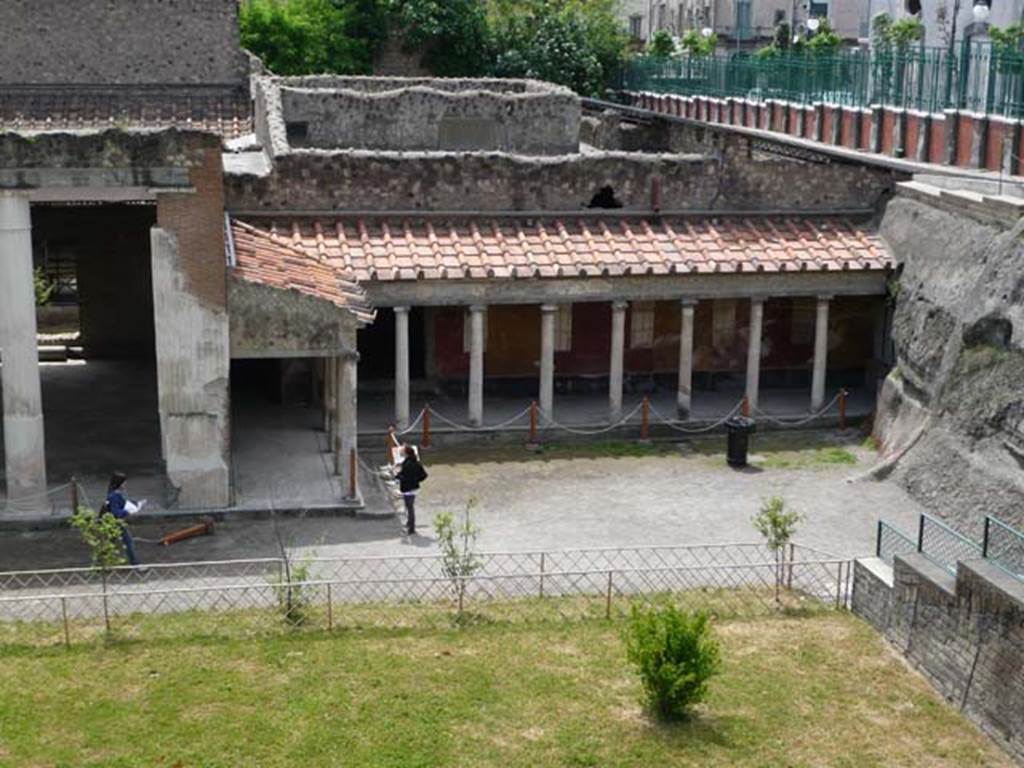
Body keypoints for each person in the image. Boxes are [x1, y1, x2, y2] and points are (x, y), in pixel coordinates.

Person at [104, 472, 141, 566]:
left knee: (109, 543)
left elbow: (122, 504)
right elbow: (116, 512)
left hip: (111, 522)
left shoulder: (112, 493)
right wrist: (128, 511)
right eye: (124, 482)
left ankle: (101, 564)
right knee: (128, 542)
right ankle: (135, 564)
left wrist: (134, 504)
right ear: (119, 483)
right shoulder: (115, 495)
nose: (125, 484)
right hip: (116, 522)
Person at [396, 444, 427, 535]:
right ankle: (409, 523)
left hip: (408, 488)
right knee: (409, 506)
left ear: (406, 453)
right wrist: (416, 480)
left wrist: (397, 476)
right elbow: (424, 475)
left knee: (410, 508)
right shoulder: (415, 462)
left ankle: (411, 528)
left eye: (402, 451)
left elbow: (404, 476)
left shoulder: (408, 464)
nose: (400, 452)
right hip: (414, 487)